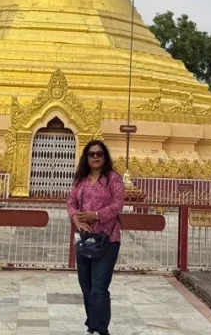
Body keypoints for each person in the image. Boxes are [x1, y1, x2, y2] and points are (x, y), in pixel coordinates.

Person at [67, 139, 125, 335]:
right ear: (86, 157)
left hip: (108, 239)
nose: (96, 157)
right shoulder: (80, 180)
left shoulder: (113, 179)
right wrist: (76, 218)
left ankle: (101, 329)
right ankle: (92, 325)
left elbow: (118, 204)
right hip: (85, 239)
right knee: (87, 285)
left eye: (99, 153)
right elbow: (71, 202)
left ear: (105, 156)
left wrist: (96, 215)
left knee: (99, 286)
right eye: (92, 154)